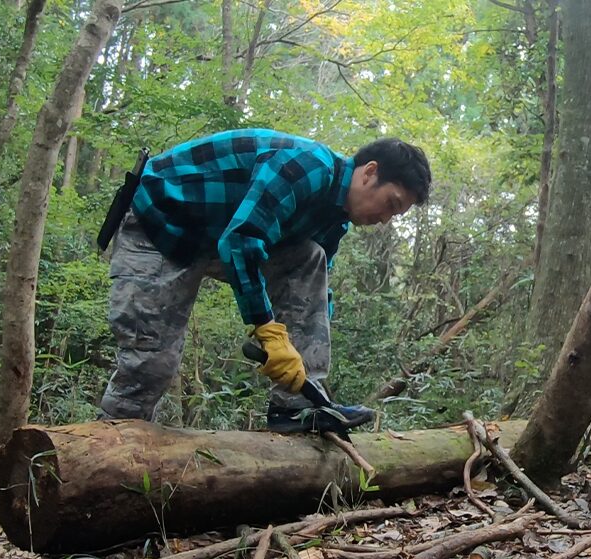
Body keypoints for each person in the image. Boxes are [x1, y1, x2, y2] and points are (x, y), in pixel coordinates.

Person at [98, 128, 431, 435]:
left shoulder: (335, 219)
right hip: (160, 225)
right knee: (152, 364)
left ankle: (297, 406)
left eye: (394, 215)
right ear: (369, 172)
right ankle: (111, 446)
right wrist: (267, 329)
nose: (384, 220)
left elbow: (314, 292)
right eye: (390, 204)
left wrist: (300, 350)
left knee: (311, 256)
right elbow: (241, 241)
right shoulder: (307, 168)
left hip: (217, 236)